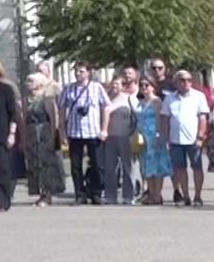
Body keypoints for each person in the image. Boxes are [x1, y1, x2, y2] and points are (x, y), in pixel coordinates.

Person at [58, 61, 109, 204]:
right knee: (75, 166)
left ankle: (96, 192)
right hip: (74, 132)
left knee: (97, 164)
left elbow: (106, 107)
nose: (78, 74)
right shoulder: (68, 89)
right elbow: (61, 110)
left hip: (93, 132)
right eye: (76, 71)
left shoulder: (96, 87)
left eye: (81, 71)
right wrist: (62, 132)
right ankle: (79, 194)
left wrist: (104, 128)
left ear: (88, 72)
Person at [164, 70, 211, 207]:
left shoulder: (198, 96)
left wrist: (200, 137)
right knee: (179, 168)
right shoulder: (170, 98)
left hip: (193, 139)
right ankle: (186, 196)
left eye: (189, 80)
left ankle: (198, 196)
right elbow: (165, 119)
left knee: (196, 167)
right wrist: (165, 138)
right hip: (176, 139)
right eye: (183, 80)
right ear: (176, 82)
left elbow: (202, 118)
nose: (186, 83)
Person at [22, 73, 65, 206]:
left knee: (46, 164)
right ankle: (40, 193)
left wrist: (53, 136)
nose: (28, 83)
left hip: (44, 131)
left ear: (40, 83)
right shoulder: (26, 99)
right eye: (27, 81)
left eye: (31, 81)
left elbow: (53, 119)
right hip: (31, 133)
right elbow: (23, 119)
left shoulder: (46, 97)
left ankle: (48, 194)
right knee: (34, 163)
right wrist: (23, 138)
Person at [101, 75, 139, 206]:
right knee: (110, 168)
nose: (114, 86)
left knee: (128, 167)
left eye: (118, 84)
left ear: (123, 86)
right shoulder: (107, 99)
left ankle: (129, 196)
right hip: (110, 138)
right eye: (113, 84)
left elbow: (136, 118)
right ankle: (110, 196)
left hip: (125, 137)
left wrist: (132, 132)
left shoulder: (130, 99)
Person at [0, 60, 18, 212]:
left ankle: (1, 202)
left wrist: (12, 134)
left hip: (0, 135)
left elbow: (13, 114)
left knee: (1, 169)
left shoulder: (5, 89)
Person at [135, 80, 171, 205]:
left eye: (147, 85)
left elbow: (159, 119)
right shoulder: (139, 102)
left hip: (154, 135)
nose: (144, 87)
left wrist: (158, 135)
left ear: (153, 87)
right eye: (141, 85)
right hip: (142, 137)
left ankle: (157, 194)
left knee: (157, 166)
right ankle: (150, 193)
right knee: (146, 166)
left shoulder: (156, 101)